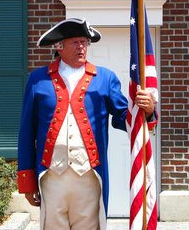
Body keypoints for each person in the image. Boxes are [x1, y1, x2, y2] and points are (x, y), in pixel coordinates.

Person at [17, 18, 157, 230]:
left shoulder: (105, 78)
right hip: (51, 176)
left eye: (85, 42)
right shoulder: (38, 79)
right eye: (75, 42)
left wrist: (146, 111)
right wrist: (27, 181)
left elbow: (124, 118)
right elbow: (27, 132)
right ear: (59, 46)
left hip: (90, 176)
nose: (82, 47)